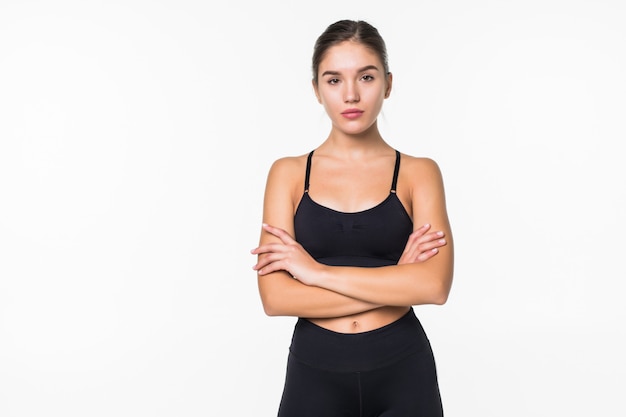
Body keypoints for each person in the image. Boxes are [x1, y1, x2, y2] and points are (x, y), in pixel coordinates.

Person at [251, 19, 454, 417]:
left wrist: (314, 272)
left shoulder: (419, 173)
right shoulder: (289, 174)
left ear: (388, 84)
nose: (351, 94)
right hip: (315, 372)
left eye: (366, 76)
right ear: (316, 90)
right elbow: (275, 298)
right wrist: (396, 278)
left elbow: (433, 287)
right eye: (333, 80)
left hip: (403, 368)